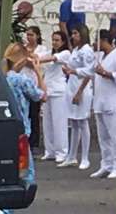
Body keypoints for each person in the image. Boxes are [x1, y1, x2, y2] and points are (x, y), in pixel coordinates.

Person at [2, 43, 47, 212]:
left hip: (6, 128)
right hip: (21, 128)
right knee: (26, 173)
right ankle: (8, 207)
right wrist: (39, 73)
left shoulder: (2, 78)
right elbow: (42, 96)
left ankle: (5, 206)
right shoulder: (21, 80)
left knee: (8, 168)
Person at [90, 30, 116, 179]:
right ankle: (106, 164)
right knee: (103, 137)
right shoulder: (99, 56)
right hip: (100, 100)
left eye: (97, 40)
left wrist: (107, 73)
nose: (95, 43)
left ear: (105, 40)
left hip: (114, 101)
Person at [57, 24, 95, 170]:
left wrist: (79, 91)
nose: (73, 36)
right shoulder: (76, 50)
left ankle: (85, 157)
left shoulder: (87, 51)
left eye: (75, 33)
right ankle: (71, 156)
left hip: (82, 89)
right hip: (71, 87)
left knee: (82, 122)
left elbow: (89, 72)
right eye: (72, 34)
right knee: (73, 123)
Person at [38, 31, 71, 163]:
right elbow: (39, 56)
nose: (54, 42)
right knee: (47, 123)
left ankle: (61, 152)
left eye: (57, 40)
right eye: (53, 40)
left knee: (59, 123)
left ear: (63, 42)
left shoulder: (66, 53)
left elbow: (52, 59)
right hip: (47, 91)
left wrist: (37, 60)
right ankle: (49, 151)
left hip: (59, 91)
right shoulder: (49, 53)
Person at [23, 26, 48, 156]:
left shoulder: (42, 50)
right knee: (24, 113)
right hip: (23, 83)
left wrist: (27, 57)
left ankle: (34, 143)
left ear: (37, 36)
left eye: (31, 35)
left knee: (34, 114)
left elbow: (35, 62)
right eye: (27, 35)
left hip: (35, 84)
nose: (29, 37)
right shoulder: (23, 47)